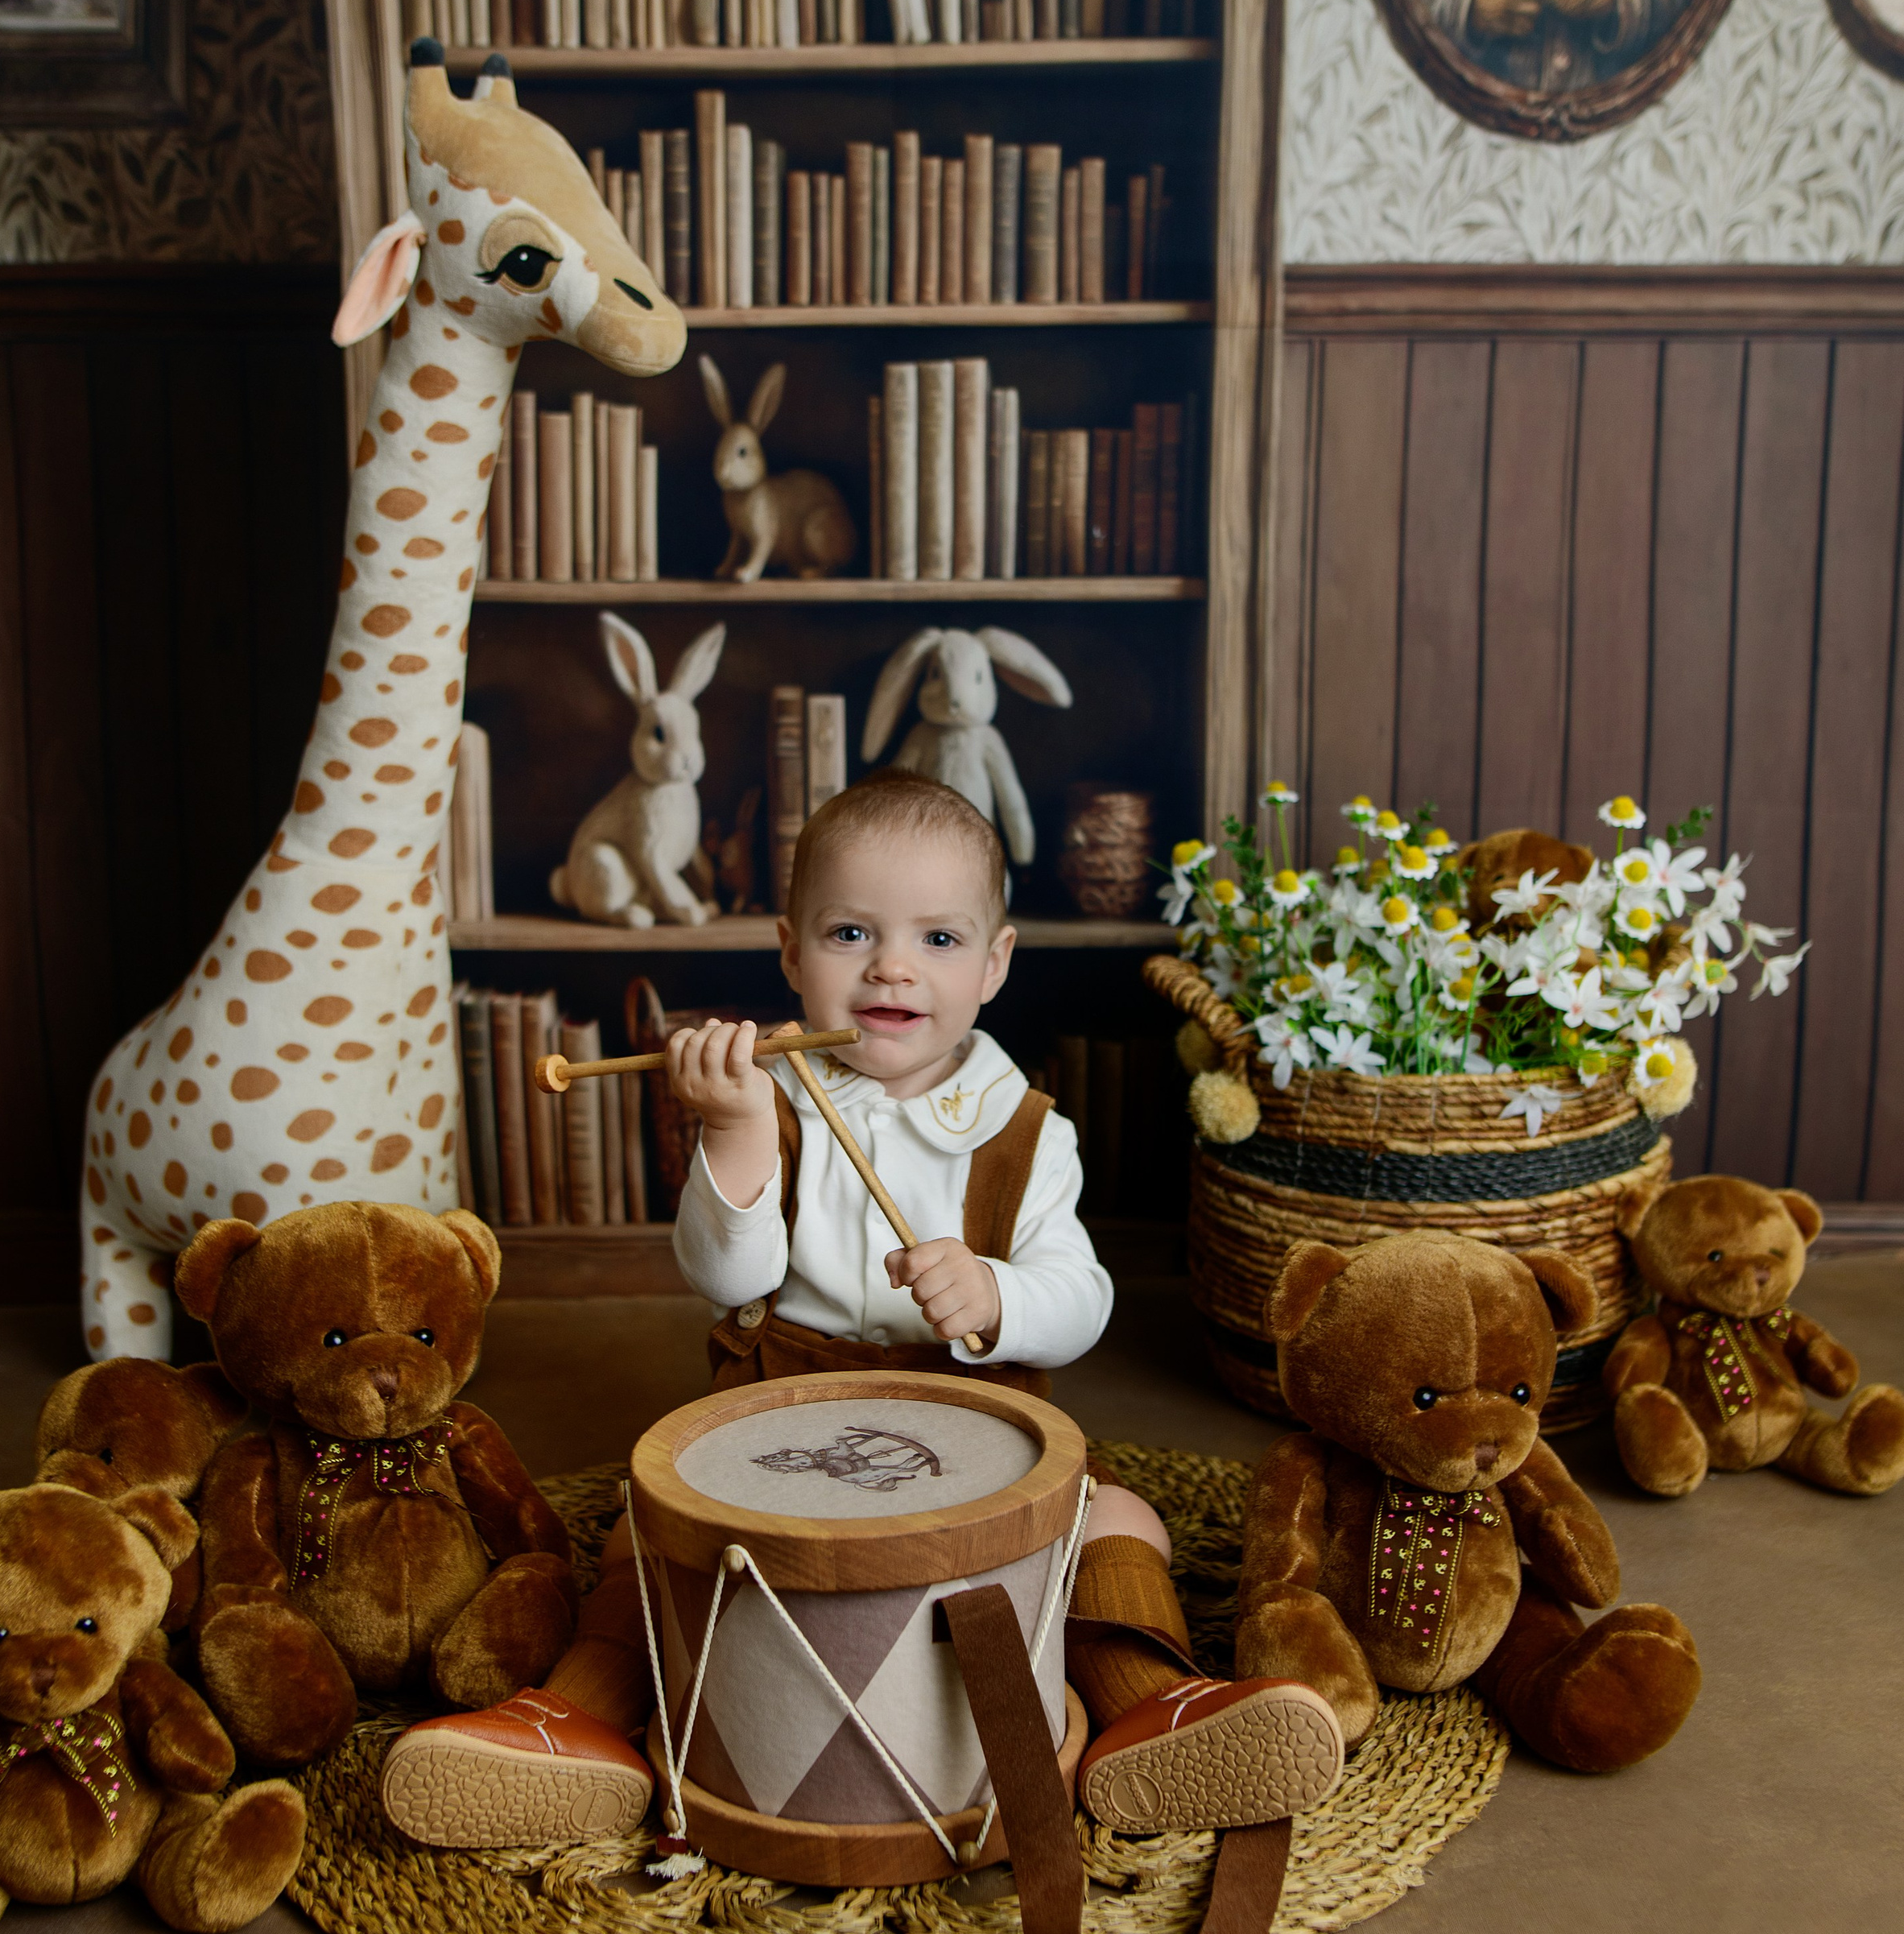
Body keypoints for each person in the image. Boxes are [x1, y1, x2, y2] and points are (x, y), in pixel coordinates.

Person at [383, 773, 1344, 1850]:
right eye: (852, 932)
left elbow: (1081, 1302)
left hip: (981, 1416)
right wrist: (737, 1132)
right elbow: (726, 1277)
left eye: (938, 938)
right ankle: (571, 1719)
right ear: (792, 954)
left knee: (1123, 1521)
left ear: (995, 964)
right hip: (781, 1417)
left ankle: (1151, 1707)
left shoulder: (1029, 1133)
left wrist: (997, 1296)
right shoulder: (776, 1100)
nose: (892, 965)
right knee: (635, 1541)